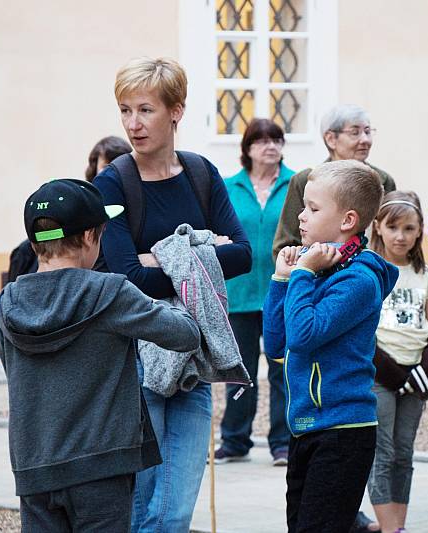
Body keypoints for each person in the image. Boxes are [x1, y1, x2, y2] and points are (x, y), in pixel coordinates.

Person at [93, 57, 251, 531]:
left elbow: (243, 255)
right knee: (143, 507)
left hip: (192, 354)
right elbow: (127, 278)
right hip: (137, 359)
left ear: (176, 111)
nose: (133, 124)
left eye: (145, 110)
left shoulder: (201, 173)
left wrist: (158, 257)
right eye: (125, 110)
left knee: (177, 511)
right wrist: (199, 250)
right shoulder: (113, 183)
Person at [0, 178, 200, 532]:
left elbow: (15, 373)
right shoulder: (110, 292)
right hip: (101, 468)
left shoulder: (7, 303)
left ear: (34, 242)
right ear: (91, 236)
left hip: (34, 468)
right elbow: (186, 335)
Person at [263, 160, 399, 533]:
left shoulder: (360, 280)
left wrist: (303, 274)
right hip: (305, 427)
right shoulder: (316, 270)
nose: (301, 217)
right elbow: (277, 344)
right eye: (303, 206)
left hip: (343, 432)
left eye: (313, 208)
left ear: (347, 220)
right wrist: (281, 279)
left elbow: (305, 334)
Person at [365, 190, 428, 533]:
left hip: (415, 377)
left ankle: (398, 524)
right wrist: (394, 373)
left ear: (419, 232)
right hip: (380, 374)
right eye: (393, 227)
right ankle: (388, 528)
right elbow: (361, 329)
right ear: (378, 227)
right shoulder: (367, 269)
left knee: (404, 452)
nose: (401, 236)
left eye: (409, 228)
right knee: (382, 452)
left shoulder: (423, 273)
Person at [216, 118, 294, 466]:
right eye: (262, 141)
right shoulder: (228, 187)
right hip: (240, 292)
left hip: (284, 291)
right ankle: (234, 440)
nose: (270, 146)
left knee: (282, 369)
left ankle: (283, 442)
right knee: (240, 370)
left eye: (276, 140)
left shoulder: (297, 184)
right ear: (247, 149)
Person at [272, 104, 396, 258]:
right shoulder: (306, 180)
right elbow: (285, 246)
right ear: (331, 139)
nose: (365, 139)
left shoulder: (382, 181)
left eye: (367, 131)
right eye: (355, 132)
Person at [6, 135, 132, 283]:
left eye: (120, 168)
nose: (113, 175)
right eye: (107, 167)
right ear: (89, 236)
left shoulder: (7, 298)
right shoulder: (109, 287)